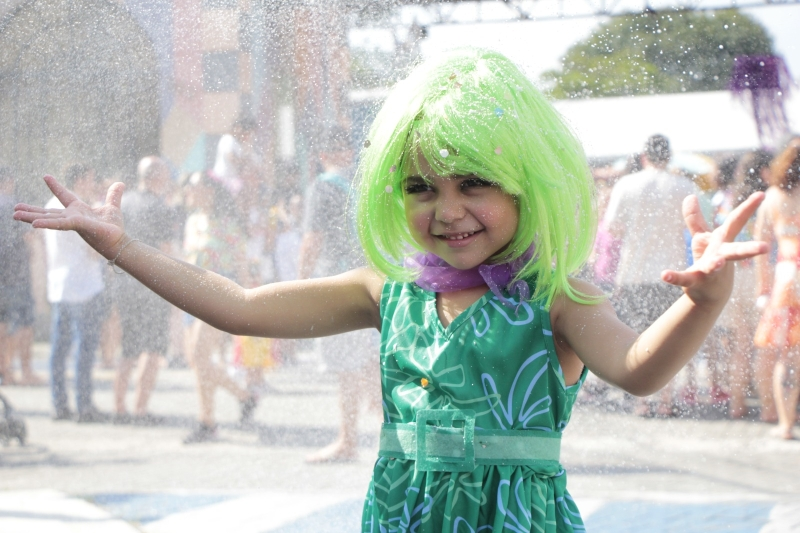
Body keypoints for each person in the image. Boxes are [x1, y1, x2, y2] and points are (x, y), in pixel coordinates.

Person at [14, 49, 767, 532]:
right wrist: (124, 248)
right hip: (400, 517)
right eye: (420, 187)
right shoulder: (389, 290)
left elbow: (638, 368)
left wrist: (702, 301)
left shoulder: (554, 295)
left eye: (475, 183)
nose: (448, 209)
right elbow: (239, 306)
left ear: (528, 184)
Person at [603, 135, 702, 417]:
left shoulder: (627, 184)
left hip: (634, 272)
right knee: (669, 339)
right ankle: (666, 401)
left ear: (644, 156)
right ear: (668, 157)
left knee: (637, 336)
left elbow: (612, 228)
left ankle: (642, 401)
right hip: (672, 273)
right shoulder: (684, 186)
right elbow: (699, 226)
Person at [297, 127, 379, 463]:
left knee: (348, 367)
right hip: (369, 279)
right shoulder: (364, 185)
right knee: (367, 360)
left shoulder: (322, 186)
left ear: (322, 156)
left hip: (337, 282)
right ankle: (392, 427)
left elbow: (312, 240)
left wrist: (301, 284)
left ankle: (348, 441)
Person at [180, 170, 257, 443]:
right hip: (190, 296)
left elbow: (241, 264)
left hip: (217, 295)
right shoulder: (192, 221)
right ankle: (243, 397)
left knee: (199, 357)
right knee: (197, 361)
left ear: (210, 192)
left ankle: (207, 422)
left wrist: (247, 301)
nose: (188, 191)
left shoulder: (229, 224)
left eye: (194, 186)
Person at [112, 156, 176, 424]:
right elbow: (166, 251)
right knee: (152, 348)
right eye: (165, 173)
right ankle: (140, 409)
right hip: (152, 286)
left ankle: (119, 408)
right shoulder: (161, 207)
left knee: (128, 348)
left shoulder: (125, 204)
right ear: (156, 176)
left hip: (125, 284)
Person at [43, 163, 105, 422]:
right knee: (84, 348)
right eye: (91, 179)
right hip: (84, 285)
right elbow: (93, 250)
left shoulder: (50, 205)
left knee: (59, 349)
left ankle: (59, 405)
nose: (94, 184)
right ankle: (84, 406)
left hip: (60, 286)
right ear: (80, 181)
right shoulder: (79, 207)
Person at [714, 150, 772, 418]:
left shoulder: (725, 199)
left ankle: (736, 404)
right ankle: (768, 406)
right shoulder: (766, 200)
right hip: (759, 275)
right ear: (764, 171)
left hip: (731, 277)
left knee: (740, 346)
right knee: (764, 346)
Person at [754, 138, 800, 439]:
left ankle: (785, 423)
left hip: (787, 280)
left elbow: (761, 247)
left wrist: (763, 288)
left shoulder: (772, 197)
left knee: (788, 355)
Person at [0, 166, 44, 386]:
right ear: (8, 181)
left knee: (2, 324)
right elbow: (30, 238)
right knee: (24, 323)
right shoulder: (14, 206)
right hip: (17, 276)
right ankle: (26, 371)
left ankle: (5, 372)